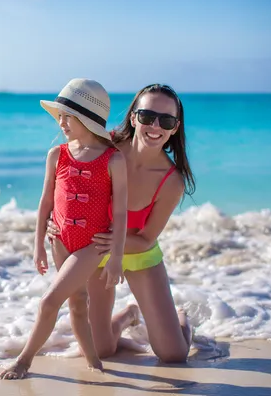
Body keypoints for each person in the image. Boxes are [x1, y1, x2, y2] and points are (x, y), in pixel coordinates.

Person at [47, 83, 196, 364]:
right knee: (100, 350)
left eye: (166, 120)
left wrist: (111, 242)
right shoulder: (103, 147)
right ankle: (128, 315)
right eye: (147, 116)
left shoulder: (171, 180)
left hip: (137, 253)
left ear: (175, 128)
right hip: (96, 252)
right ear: (133, 117)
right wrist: (54, 222)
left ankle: (182, 320)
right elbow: (65, 180)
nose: (155, 126)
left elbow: (147, 238)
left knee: (173, 354)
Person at [0, 78, 128, 380]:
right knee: (78, 303)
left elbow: (120, 211)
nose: (61, 122)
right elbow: (45, 203)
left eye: (68, 116)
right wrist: (38, 245)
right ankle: (94, 362)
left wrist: (117, 256)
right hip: (60, 239)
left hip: (92, 245)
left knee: (49, 301)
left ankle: (24, 360)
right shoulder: (57, 155)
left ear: (87, 119)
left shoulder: (113, 160)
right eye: (60, 115)